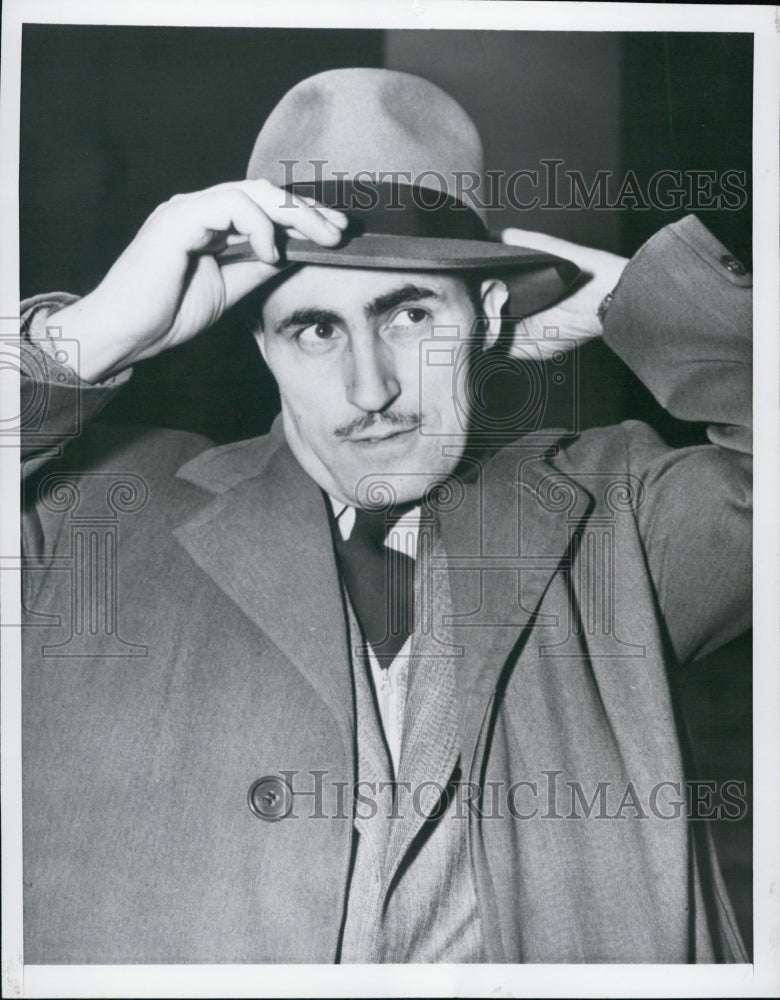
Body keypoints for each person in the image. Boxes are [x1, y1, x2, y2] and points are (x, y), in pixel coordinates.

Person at [19, 68, 751, 963]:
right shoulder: (92, 517)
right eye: (315, 331)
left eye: (407, 313)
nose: (371, 389)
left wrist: (649, 306)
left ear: (486, 317)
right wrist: (92, 337)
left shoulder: (615, 518)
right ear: (260, 342)